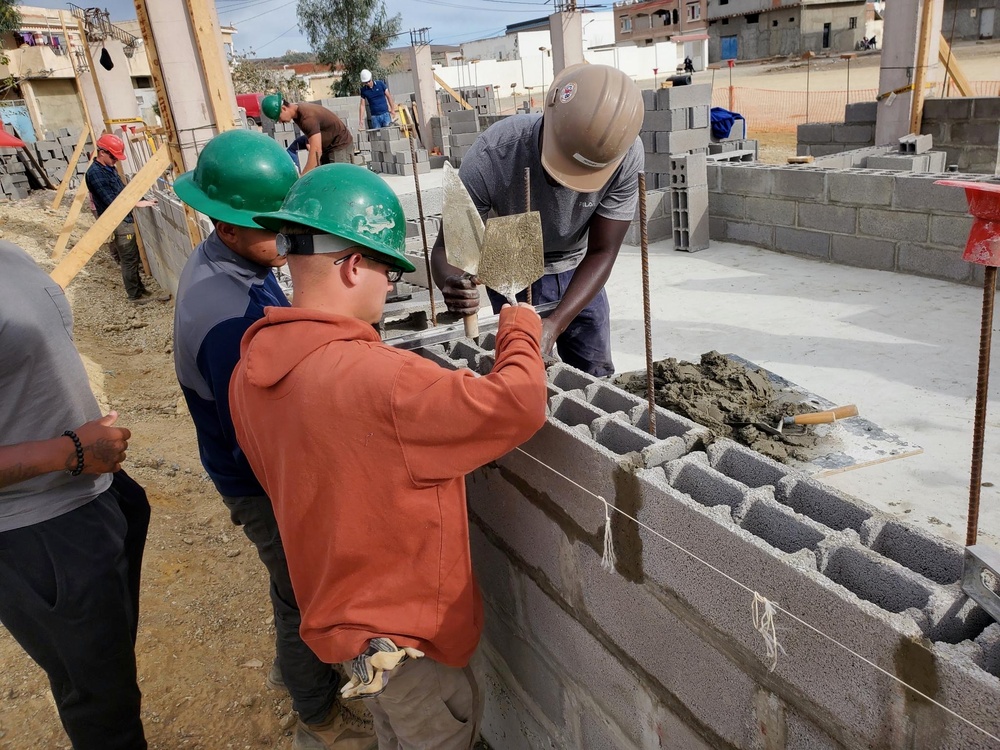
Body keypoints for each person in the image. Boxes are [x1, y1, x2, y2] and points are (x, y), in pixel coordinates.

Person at [231, 164, 547, 750]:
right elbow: (520, 402)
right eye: (388, 270)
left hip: (345, 634)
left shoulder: (251, 370)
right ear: (354, 266)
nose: (391, 287)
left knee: (390, 728)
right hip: (408, 647)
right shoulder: (387, 382)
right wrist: (521, 326)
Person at [172, 130, 374, 750]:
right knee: (302, 594)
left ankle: (300, 675)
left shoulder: (231, 263)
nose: (285, 237)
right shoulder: (227, 317)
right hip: (258, 479)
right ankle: (318, 714)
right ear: (226, 225)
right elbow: (261, 432)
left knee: (294, 586)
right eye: (270, 227)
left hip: (251, 463)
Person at [0, 241, 150, 750]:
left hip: (94, 496)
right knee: (101, 704)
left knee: (110, 671)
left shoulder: (9, 254)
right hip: (37, 529)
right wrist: (66, 452)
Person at [431, 62, 644, 378]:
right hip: (511, 255)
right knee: (521, 377)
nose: (566, 184)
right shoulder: (494, 154)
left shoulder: (623, 155)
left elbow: (603, 251)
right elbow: (446, 250)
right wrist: (451, 282)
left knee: (595, 374)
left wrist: (555, 324)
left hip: (579, 267)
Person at [85, 133, 166, 304]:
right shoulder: (96, 174)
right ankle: (135, 296)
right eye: (113, 157)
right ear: (102, 153)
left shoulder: (108, 168)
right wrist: (137, 203)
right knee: (128, 259)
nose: (116, 161)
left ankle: (140, 290)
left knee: (132, 256)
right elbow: (112, 201)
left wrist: (141, 199)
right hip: (118, 221)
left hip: (124, 218)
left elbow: (123, 191)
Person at [261, 94, 353, 174]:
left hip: (339, 145)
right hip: (328, 146)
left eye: (279, 118)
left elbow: (316, 150)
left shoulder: (306, 117)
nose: (280, 122)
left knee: (337, 179)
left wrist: (303, 177)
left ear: (284, 108)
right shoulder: (298, 113)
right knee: (326, 178)